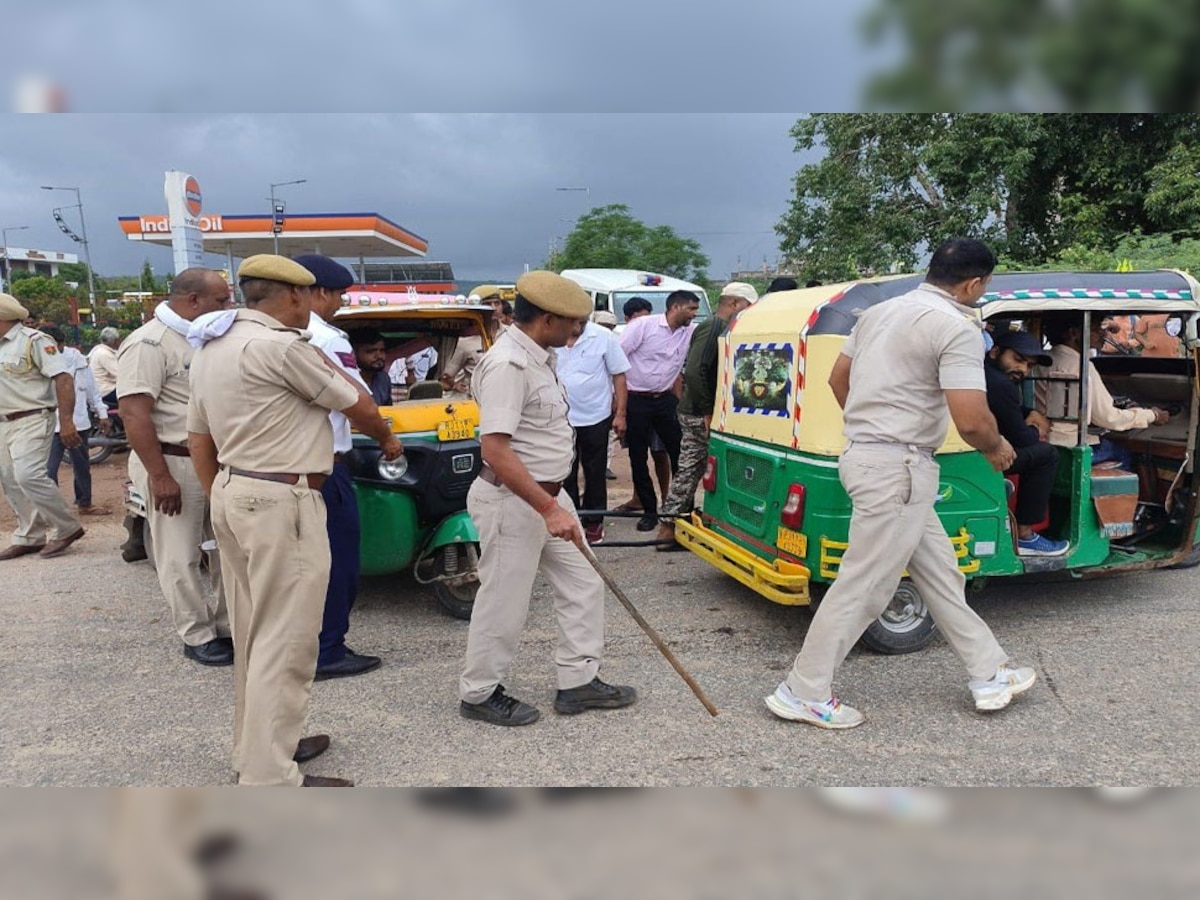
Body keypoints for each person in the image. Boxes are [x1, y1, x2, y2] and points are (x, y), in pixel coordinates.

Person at [766, 238, 1036, 729]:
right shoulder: (955, 326)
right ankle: (802, 691)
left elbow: (837, 380)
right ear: (974, 284)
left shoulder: (877, 313)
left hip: (873, 459)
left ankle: (989, 670)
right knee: (866, 585)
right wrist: (997, 449)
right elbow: (973, 419)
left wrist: (873, 428)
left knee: (941, 574)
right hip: (899, 469)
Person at [187, 254, 402, 787]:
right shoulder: (283, 347)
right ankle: (268, 777)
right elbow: (357, 402)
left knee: (254, 633)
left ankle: (260, 747)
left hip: (235, 490)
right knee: (287, 640)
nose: (311, 306)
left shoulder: (212, 347)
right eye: (308, 297)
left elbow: (198, 437)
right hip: (284, 499)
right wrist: (388, 439)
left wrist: (224, 494)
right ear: (293, 296)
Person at [459, 270, 636, 726]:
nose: (579, 330)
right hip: (514, 501)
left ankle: (577, 682)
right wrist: (548, 507)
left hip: (548, 498)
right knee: (504, 599)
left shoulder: (540, 357)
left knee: (583, 582)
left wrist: (554, 504)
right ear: (546, 319)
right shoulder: (507, 365)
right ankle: (479, 692)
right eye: (572, 322)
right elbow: (495, 450)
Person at [118, 269, 235, 666]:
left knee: (224, 549)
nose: (229, 307)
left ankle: (227, 627)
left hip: (213, 460)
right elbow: (134, 414)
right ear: (193, 301)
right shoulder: (149, 343)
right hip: (171, 460)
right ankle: (197, 634)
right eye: (222, 301)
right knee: (180, 553)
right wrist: (159, 476)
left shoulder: (204, 337)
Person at [294, 254, 383, 681]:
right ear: (319, 293)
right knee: (337, 562)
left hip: (275, 470)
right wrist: (388, 437)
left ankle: (302, 646)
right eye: (339, 296)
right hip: (325, 466)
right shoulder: (326, 340)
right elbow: (357, 400)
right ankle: (328, 649)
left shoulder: (246, 332)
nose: (339, 305)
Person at [656, 282, 758, 549]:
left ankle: (684, 520)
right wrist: (707, 411)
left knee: (702, 466)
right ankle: (668, 526)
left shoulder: (719, 327)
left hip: (702, 410)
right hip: (699, 412)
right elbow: (694, 371)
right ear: (735, 304)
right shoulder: (714, 327)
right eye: (747, 307)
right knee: (691, 467)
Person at [0, 293, 86, 561]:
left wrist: (68, 421)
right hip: (4, 422)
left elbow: (63, 379)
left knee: (29, 475)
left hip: (33, 417)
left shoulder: (34, 341)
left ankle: (67, 527)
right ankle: (30, 535)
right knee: (11, 480)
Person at [1037, 313, 1168, 467]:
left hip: (1045, 442)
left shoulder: (1039, 362)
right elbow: (1108, 418)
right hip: (1072, 447)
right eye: (1097, 328)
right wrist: (1151, 415)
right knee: (1125, 454)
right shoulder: (1082, 366)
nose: (1104, 333)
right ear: (1074, 333)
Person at [618, 289, 700, 530]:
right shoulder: (643, 326)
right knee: (638, 456)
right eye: (691, 309)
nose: (694, 315)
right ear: (675, 307)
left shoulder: (690, 331)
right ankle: (650, 511)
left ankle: (681, 509)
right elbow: (616, 358)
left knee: (680, 454)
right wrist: (619, 405)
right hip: (636, 399)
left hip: (664, 399)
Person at [984, 330, 1069, 557]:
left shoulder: (985, 374)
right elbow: (1023, 438)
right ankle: (1025, 535)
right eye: (1018, 360)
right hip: (979, 456)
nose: (1023, 370)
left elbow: (1006, 411)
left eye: (1029, 366)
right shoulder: (1000, 383)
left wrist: (1030, 412)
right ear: (995, 352)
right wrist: (1036, 425)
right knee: (1046, 455)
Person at [557, 313, 630, 545]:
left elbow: (619, 376)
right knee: (563, 471)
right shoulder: (553, 337)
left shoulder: (603, 337)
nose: (577, 326)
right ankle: (570, 518)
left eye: (581, 321)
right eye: (572, 321)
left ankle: (594, 522)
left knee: (595, 472)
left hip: (595, 416)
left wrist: (620, 414)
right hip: (560, 418)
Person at [44, 325, 112, 517]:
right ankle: (53, 511)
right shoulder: (39, 361)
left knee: (81, 466)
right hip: (51, 424)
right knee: (48, 470)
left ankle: (85, 503)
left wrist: (102, 413)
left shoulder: (78, 360)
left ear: (61, 343)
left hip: (78, 421)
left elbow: (91, 389)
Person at [440, 284, 505, 394]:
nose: (494, 308)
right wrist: (455, 385)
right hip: (478, 400)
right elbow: (446, 378)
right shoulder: (465, 341)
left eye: (497, 303)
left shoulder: (510, 334)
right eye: (488, 304)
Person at [593, 310, 621, 480]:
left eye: (610, 327)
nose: (606, 329)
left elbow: (619, 374)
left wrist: (616, 398)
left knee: (608, 434)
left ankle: (605, 466)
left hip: (607, 396)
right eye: (603, 326)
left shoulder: (613, 342)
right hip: (585, 398)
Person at [348, 328, 393, 406]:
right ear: (354, 353)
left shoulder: (383, 378)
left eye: (382, 350)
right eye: (370, 351)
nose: (379, 356)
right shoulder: (346, 380)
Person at [88, 326, 122, 404]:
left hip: (99, 389)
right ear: (115, 341)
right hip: (106, 391)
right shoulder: (105, 354)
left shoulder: (98, 350)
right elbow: (120, 374)